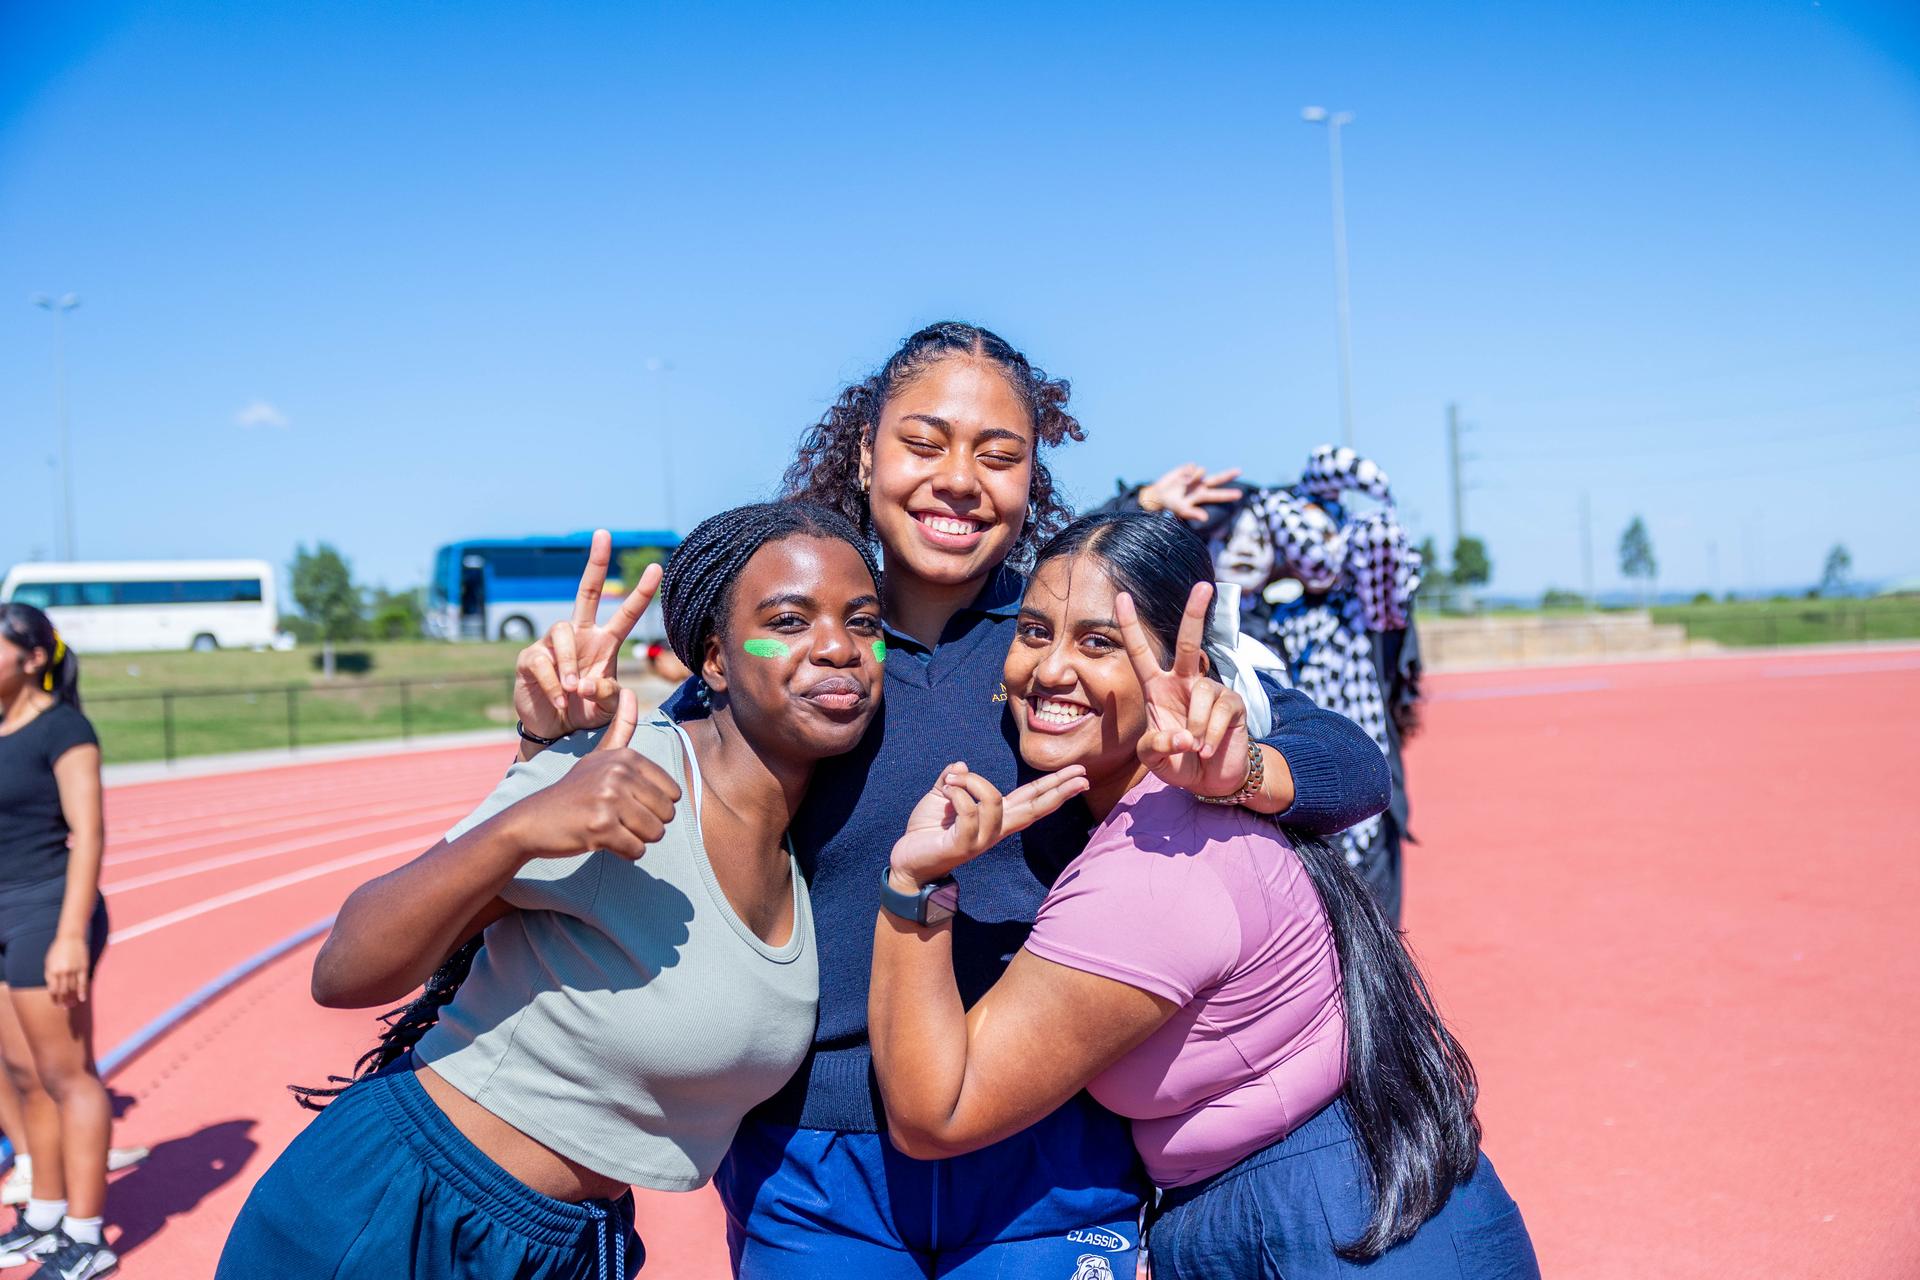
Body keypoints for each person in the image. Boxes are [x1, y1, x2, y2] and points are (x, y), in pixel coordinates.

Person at [648, 322, 1390, 1276]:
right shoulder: (805, 645)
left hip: (1049, 1155)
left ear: (1033, 477)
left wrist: (1240, 768)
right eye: (923, 444)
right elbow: (661, 776)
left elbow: (1349, 763)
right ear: (865, 453)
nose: (958, 480)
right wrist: (561, 736)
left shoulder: (1068, 632)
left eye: (1000, 456)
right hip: (815, 1165)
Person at [218, 502, 886, 1280]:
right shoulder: (627, 769)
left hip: (569, 1245)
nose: (838, 646)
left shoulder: (811, 852)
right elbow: (343, 972)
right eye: (789, 621)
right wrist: (521, 824)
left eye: (863, 623)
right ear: (714, 660)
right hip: (402, 1215)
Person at [869, 510, 1537, 1278]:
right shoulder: (1173, 813)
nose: (1051, 669)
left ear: (1182, 673)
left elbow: (939, 1111)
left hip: (1332, 1229)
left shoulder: (1157, 862)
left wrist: (913, 886)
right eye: (1033, 632)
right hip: (1361, 1201)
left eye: (1100, 643)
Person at [0, 604, 118, 1280]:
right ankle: (45, 1218)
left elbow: (90, 833)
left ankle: (87, 1235)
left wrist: (71, 933)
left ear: (33, 658)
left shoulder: (64, 728)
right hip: (3, 915)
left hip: (47, 912)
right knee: (24, 1075)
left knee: (68, 1076)